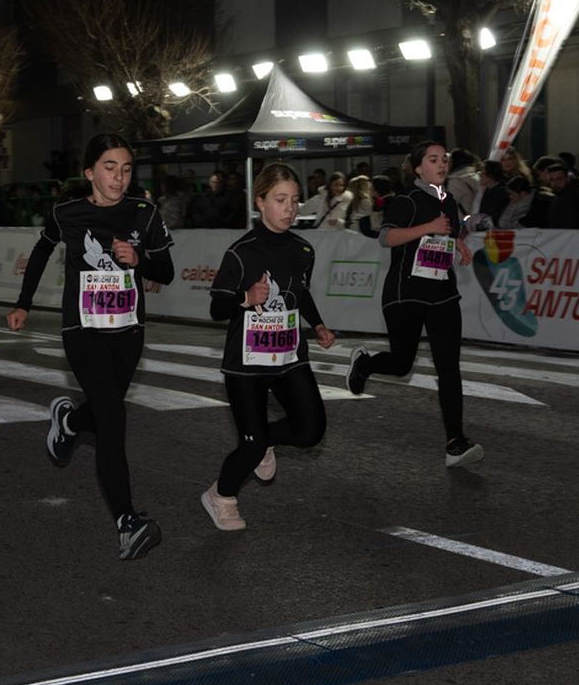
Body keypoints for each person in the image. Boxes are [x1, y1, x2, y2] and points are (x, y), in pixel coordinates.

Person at [6, 134, 175, 560]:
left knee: (104, 411)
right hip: (82, 330)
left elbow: (167, 271)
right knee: (113, 418)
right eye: (109, 167)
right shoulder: (68, 212)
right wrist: (23, 303)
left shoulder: (144, 213)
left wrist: (139, 260)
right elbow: (43, 249)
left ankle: (69, 422)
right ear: (89, 172)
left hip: (128, 330)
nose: (118, 177)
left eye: (125, 168)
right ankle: (127, 522)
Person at [201, 163, 336, 531]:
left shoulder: (303, 249)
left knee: (310, 431)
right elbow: (217, 307)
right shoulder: (241, 252)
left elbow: (300, 292)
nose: (290, 208)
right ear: (260, 201)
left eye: (294, 200)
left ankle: (267, 441)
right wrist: (245, 297)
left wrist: (318, 323)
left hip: (289, 355)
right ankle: (222, 495)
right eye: (280, 199)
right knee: (250, 444)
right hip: (245, 363)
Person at [346, 141, 484, 468]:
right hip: (405, 291)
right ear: (419, 167)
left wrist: (459, 244)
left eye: (444, 159)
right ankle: (365, 364)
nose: (441, 164)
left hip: (442, 292)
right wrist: (429, 228)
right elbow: (387, 238)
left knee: (448, 366)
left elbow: (445, 237)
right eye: (433, 160)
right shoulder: (405, 199)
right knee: (401, 363)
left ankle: (455, 443)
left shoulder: (449, 202)